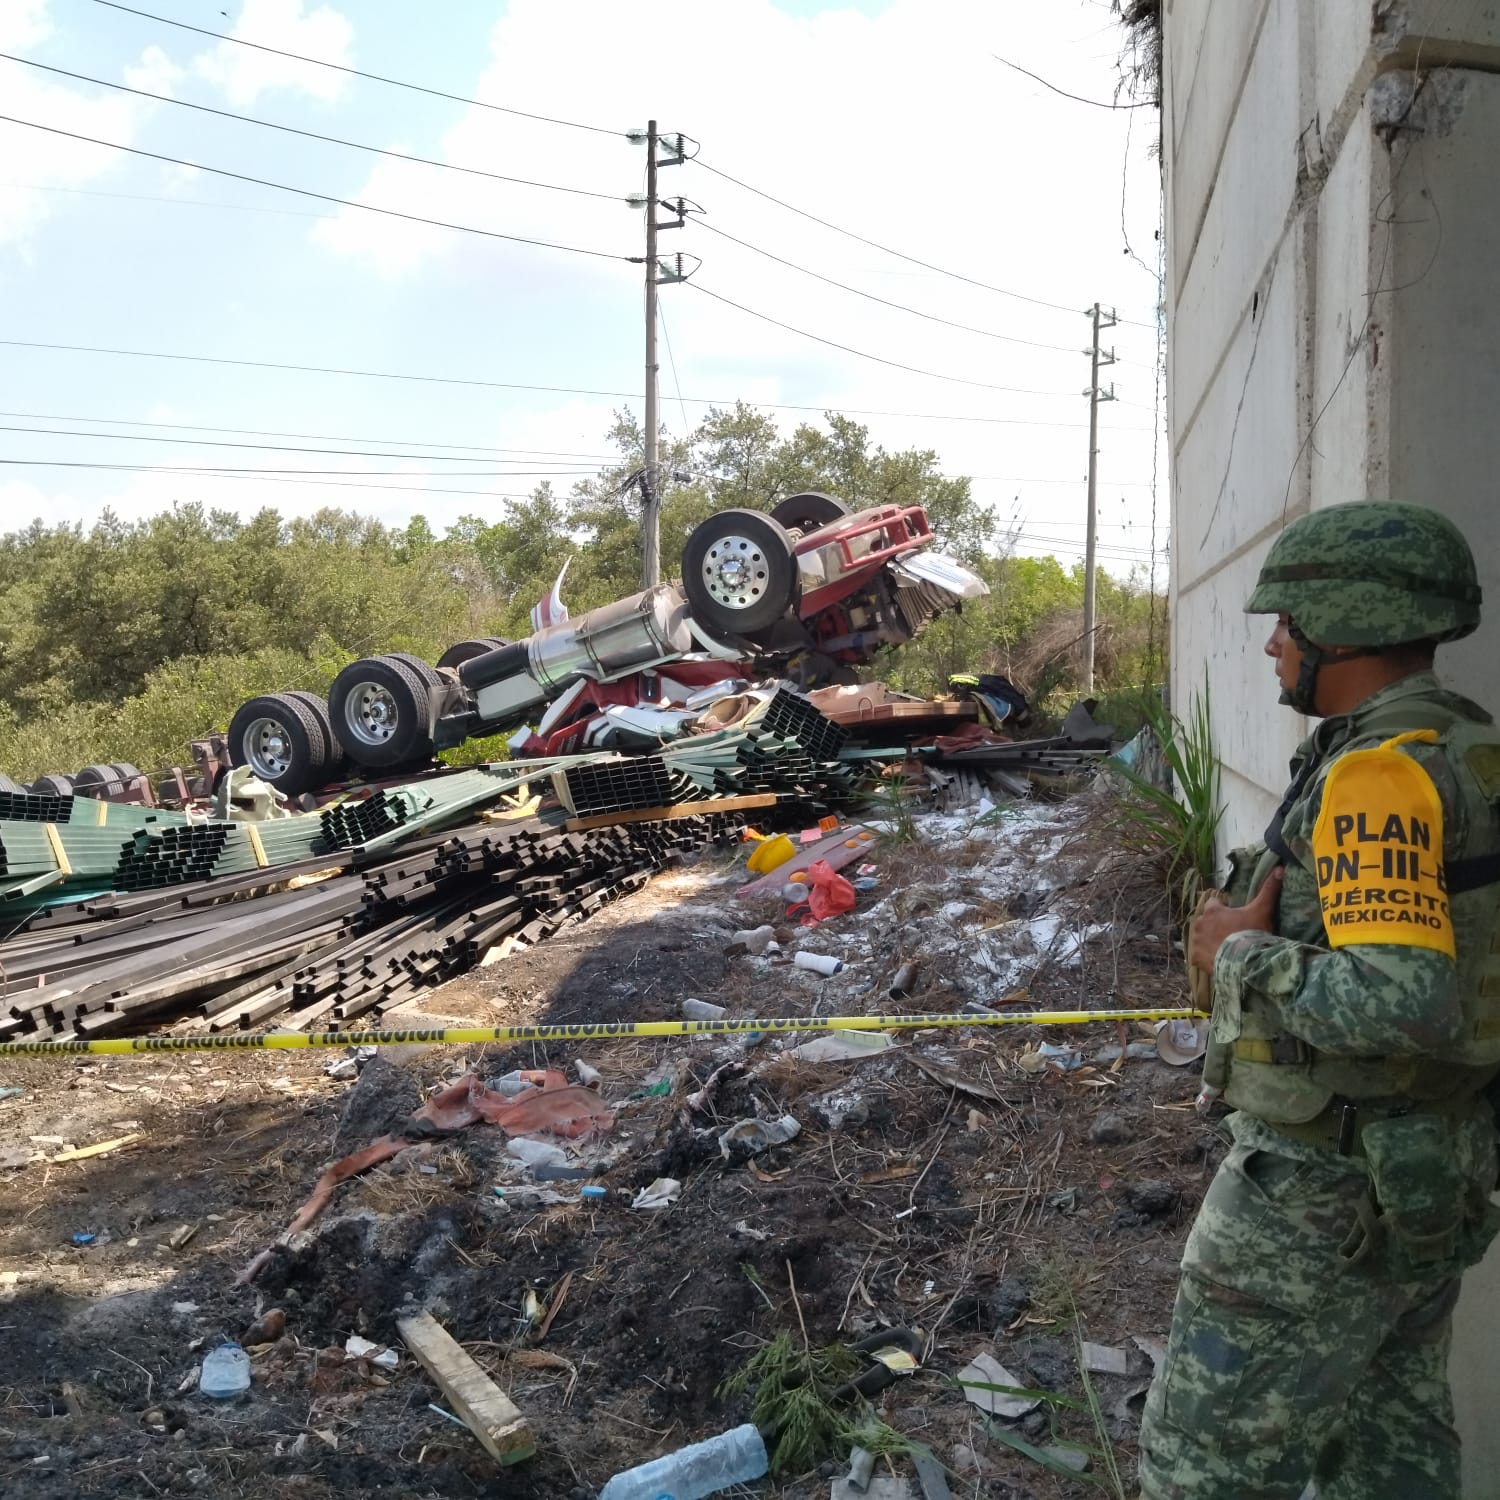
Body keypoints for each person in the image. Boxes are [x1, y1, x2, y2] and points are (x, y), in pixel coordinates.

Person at [1137, 501, 1500, 1500]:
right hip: (1426, 1168)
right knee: (1389, 1453)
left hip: (1319, 1191)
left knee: (1202, 1469)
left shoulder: (1380, 776)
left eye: (1287, 624)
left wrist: (1242, 954)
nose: (1271, 644)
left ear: (1344, 623)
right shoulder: (1469, 750)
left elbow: (1405, 998)